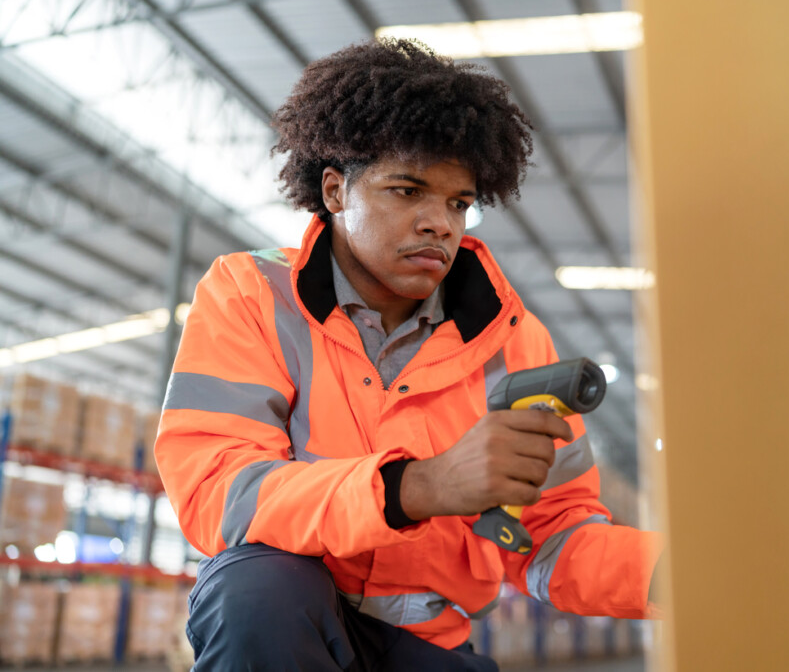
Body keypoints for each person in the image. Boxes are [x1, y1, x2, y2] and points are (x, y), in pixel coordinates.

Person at [155, 38, 662, 671]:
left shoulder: (514, 338)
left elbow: (552, 533)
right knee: (256, 591)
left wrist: (681, 576)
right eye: (407, 191)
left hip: (431, 647)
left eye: (457, 203)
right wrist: (417, 486)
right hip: (293, 624)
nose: (441, 224)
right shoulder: (251, 295)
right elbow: (218, 491)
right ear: (336, 192)